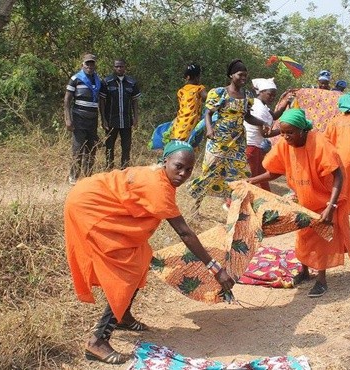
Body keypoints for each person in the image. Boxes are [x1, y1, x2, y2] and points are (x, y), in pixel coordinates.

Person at [64, 140, 235, 364]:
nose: (183, 173)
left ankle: (122, 315)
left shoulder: (160, 178)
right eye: (178, 166)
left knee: (142, 256)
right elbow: (185, 233)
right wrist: (216, 269)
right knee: (128, 270)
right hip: (90, 208)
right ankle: (97, 341)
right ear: (165, 162)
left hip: (95, 200)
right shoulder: (158, 187)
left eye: (189, 170)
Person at [247, 108, 350, 298]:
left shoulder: (319, 143)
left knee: (321, 241)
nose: (286, 136)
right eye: (283, 132)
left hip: (324, 200)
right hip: (303, 198)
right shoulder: (284, 145)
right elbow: (275, 170)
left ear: (303, 130)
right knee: (303, 236)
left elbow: (338, 175)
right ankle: (304, 272)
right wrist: (252, 181)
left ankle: (321, 280)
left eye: (290, 132)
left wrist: (331, 206)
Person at [188, 59, 269, 211]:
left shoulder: (247, 95)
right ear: (231, 75)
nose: (244, 78)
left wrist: (262, 122)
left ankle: (239, 210)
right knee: (210, 171)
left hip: (238, 141)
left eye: (246, 75)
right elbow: (208, 113)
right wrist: (209, 129)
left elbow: (247, 117)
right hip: (219, 139)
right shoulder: (220, 93)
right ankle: (196, 207)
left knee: (240, 174)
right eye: (240, 75)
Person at [243, 78, 291, 191]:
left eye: (274, 95)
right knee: (253, 178)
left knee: (261, 175)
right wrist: (285, 130)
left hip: (255, 146)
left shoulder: (259, 103)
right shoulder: (259, 108)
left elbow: (274, 116)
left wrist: (284, 104)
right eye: (270, 94)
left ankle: (268, 198)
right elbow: (264, 133)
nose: (272, 98)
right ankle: (232, 203)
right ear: (261, 92)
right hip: (251, 146)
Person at [64, 53, 102, 185]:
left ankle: (87, 178)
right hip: (79, 119)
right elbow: (67, 100)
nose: (90, 66)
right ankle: (73, 178)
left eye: (92, 64)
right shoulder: (76, 79)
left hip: (93, 120)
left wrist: (103, 120)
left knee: (91, 150)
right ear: (82, 65)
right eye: (87, 63)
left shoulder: (97, 80)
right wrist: (68, 119)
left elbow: (101, 102)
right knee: (78, 149)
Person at [99, 59, 142, 170]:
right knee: (109, 146)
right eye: (117, 66)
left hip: (127, 121)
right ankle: (109, 169)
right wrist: (103, 119)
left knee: (126, 147)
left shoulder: (132, 83)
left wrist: (136, 117)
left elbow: (135, 101)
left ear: (125, 67)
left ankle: (124, 170)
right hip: (111, 121)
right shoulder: (107, 82)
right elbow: (102, 101)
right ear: (114, 67)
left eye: (121, 66)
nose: (119, 68)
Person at [169, 62, 208, 142]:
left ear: (187, 77)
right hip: (190, 125)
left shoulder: (181, 91)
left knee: (177, 147)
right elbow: (208, 98)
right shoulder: (199, 89)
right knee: (190, 147)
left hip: (179, 124)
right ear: (197, 77)